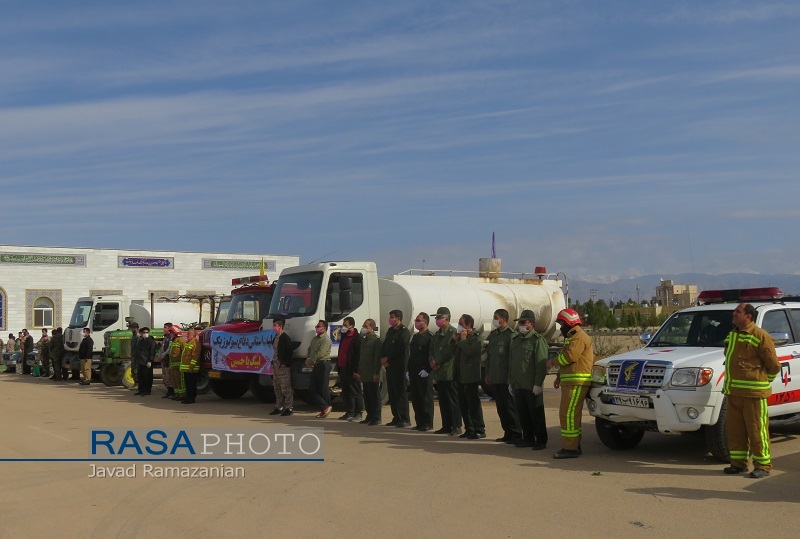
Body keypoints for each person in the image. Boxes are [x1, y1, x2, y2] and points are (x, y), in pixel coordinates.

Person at [722, 303, 780, 478]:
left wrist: (762, 383)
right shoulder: (733, 335)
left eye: (737, 312)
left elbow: (774, 366)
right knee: (735, 431)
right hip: (734, 393)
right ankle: (738, 464)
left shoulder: (761, 336)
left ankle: (763, 466)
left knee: (757, 431)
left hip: (753, 395)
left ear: (748, 316)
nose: (734, 314)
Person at [549, 308, 594, 459]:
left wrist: (552, 362)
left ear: (569, 322)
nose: (560, 327)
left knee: (568, 415)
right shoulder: (572, 337)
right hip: (570, 382)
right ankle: (574, 445)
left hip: (577, 383)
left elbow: (570, 357)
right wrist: (559, 377)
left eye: (562, 323)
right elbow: (568, 361)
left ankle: (570, 448)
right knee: (571, 415)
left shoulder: (578, 337)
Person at [509, 310, 549, 450]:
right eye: (519, 322)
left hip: (532, 385)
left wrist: (538, 384)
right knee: (523, 414)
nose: (520, 325)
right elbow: (513, 363)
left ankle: (541, 440)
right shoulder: (516, 340)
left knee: (536, 414)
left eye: (522, 322)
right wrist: (511, 381)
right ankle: (528, 438)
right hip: (518, 384)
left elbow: (541, 365)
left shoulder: (537, 341)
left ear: (531, 324)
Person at [485, 309, 522, 443]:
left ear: (503, 319)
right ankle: (507, 432)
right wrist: (488, 373)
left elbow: (513, 358)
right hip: (495, 377)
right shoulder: (494, 335)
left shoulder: (511, 335)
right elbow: (489, 356)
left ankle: (516, 433)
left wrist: (511, 377)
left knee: (510, 407)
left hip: (505, 378)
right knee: (501, 407)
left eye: (496, 317)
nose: (494, 320)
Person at [431, 307, 462, 436]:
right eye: (436, 318)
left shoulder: (452, 333)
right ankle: (446, 425)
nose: (437, 320)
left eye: (439, 318)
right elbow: (432, 350)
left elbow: (450, 351)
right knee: (443, 400)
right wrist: (431, 360)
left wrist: (437, 361)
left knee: (453, 401)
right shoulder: (437, 334)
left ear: (447, 319)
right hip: (439, 372)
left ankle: (456, 426)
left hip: (448, 371)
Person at [455, 314, 485, 439]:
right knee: (463, 403)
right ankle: (469, 428)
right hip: (461, 375)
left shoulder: (476, 338)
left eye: (461, 324)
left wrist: (463, 340)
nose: (459, 326)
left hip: (471, 375)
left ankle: (479, 429)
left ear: (468, 325)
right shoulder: (461, 337)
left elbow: (471, 351)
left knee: (473, 403)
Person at [380, 309, 411, 427]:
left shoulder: (404, 332)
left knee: (400, 393)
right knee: (392, 392)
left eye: (392, 317)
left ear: (398, 318)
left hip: (399, 366)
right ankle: (396, 417)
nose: (390, 319)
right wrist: (383, 358)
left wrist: (387, 358)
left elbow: (400, 348)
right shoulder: (390, 331)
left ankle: (404, 418)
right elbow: (385, 345)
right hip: (389, 366)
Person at [408, 312, 434, 432]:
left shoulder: (429, 337)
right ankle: (419, 422)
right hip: (414, 372)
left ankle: (427, 423)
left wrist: (428, 370)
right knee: (416, 398)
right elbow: (411, 355)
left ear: (426, 322)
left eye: (419, 320)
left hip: (424, 372)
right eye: (416, 321)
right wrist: (408, 370)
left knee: (426, 399)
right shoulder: (415, 337)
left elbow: (431, 355)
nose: (417, 323)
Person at [357, 319, 383, 425]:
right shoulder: (364, 340)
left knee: (374, 396)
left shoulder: (376, 341)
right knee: (367, 396)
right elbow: (361, 357)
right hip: (365, 373)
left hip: (372, 373)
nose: (363, 327)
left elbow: (377, 359)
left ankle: (376, 417)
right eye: (363, 325)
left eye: (366, 326)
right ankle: (369, 415)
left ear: (372, 328)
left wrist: (376, 373)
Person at [337, 317, 364, 421]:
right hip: (343, 368)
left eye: (346, 325)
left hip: (352, 370)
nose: (343, 327)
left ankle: (358, 412)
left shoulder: (357, 338)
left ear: (352, 326)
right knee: (346, 392)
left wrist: (356, 371)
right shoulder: (344, 336)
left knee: (355, 392)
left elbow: (358, 356)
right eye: (343, 324)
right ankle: (350, 412)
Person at [307, 320, 333, 418]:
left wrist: (311, 361)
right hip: (316, 365)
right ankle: (325, 407)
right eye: (316, 326)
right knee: (312, 388)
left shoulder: (325, 339)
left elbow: (321, 354)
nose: (317, 327)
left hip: (323, 364)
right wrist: (308, 359)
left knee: (323, 388)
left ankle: (325, 408)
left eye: (319, 326)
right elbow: (310, 350)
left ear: (325, 328)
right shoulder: (315, 339)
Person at [270, 318, 295, 416]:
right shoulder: (276, 337)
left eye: (275, 326)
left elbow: (289, 352)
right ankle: (279, 406)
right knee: (277, 387)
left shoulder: (285, 338)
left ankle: (289, 407)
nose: (274, 327)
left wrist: (284, 363)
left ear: (280, 327)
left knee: (286, 388)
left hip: (283, 367)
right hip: (276, 366)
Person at [179, 329, 201, 404]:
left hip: (192, 369)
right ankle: (188, 397)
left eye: (189, 335)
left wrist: (191, 366)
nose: (187, 336)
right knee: (187, 384)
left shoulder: (195, 343)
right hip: (187, 368)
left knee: (191, 384)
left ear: (194, 335)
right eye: (187, 334)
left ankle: (191, 398)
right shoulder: (188, 343)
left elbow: (195, 356)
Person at [134, 327, 157, 396]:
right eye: (144, 333)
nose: (145, 334)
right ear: (141, 333)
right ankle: (141, 390)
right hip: (140, 361)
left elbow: (152, 351)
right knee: (140, 377)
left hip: (147, 362)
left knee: (147, 377)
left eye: (147, 332)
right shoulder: (141, 341)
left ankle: (147, 390)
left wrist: (150, 360)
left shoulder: (151, 341)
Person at [168, 326, 186, 401]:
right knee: (174, 381)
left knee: (180, 381)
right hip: (173, 365)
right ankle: (177, 394)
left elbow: (185, 352)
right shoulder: (174, 341)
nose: (171, 334)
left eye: (172, 332)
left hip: (179, 365)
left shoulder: (181, 341)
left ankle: (182, 395)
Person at [159, 323, 176, 398]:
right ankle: (169, 391)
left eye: (165, 327)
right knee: (165, 377)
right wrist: (160, 356)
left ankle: (172, 391)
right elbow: (162, 348)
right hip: (164, 361)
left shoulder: (171, 338)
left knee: (170, 376)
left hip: (168, 360)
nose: (164, 329)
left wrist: (163, 356)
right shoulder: (165, 337)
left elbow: (169, 349)